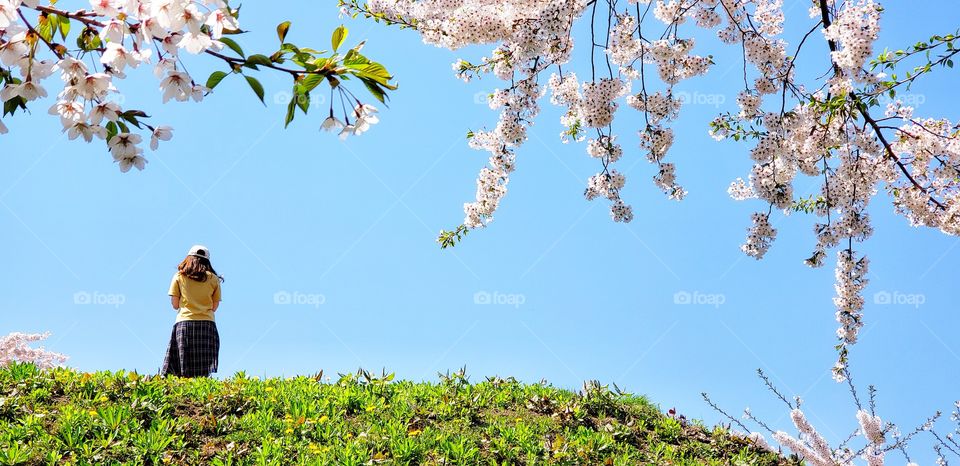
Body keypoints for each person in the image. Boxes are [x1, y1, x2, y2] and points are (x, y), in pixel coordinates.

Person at [159, 245, 223, 378]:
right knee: (202, 372)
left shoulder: (179, 276)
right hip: (207, 325)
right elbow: (214, 307)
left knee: (180, 369)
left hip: (184, 324)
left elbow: (175, 305)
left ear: (188, 258)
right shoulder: (214, 279)